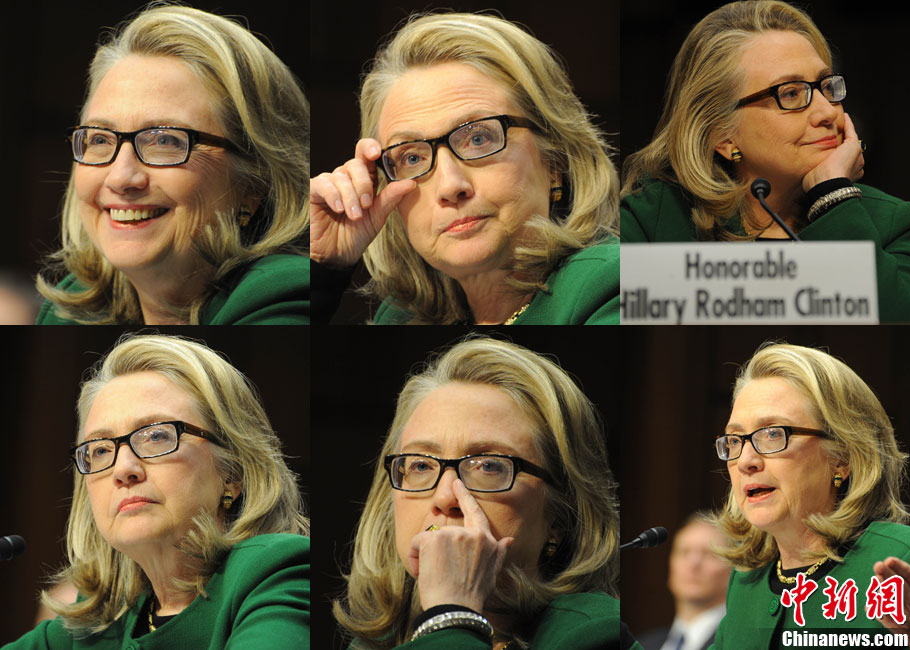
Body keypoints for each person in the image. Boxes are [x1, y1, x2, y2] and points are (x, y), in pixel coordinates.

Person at [620, 1, 910, 323]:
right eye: (791, 94)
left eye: (826, 86)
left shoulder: (890, 223)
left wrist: (833, 200)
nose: (827, 112)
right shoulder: (649, 221)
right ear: (722, 135)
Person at [2, 333, 310, 649]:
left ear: (232, 472)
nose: (122, 470)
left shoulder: (275, 573)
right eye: (100, 450)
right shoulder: (95, 623)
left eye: (156, 436)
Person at [310, 12, 620, 325]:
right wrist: (324, 270)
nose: (450, 186)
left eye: (478, 138)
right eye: (412, 157)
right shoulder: (400, 315)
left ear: (555, 159)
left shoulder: (620, 277)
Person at [332, 337, 633, 649]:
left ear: (560, 516)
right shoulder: (369, 645)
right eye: (421, 465)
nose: (445, 498)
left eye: (488, 466)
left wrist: (451, 614)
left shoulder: (594, 635)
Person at [36, 5, 311, 325]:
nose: (122, 177)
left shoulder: (283, 298)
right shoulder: (68, 312)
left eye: (165, 141)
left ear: (252, 184)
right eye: (100, 139)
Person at [709, 342, 910, 648]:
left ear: (843, 456)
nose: (746, 461)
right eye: (735, 440)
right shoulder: (746, 580)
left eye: (773, 433)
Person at [639, 513, 729, 650]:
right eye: (684, 552)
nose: (693, 563)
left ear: (734, 570)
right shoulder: (642, 644)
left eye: (709, 553)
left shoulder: (740, 642)